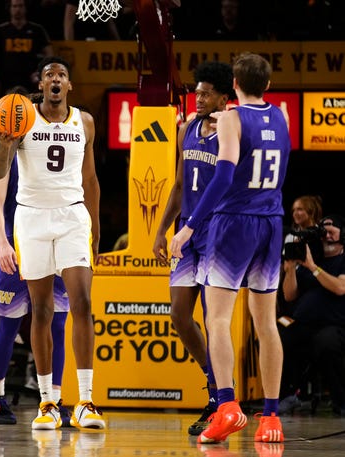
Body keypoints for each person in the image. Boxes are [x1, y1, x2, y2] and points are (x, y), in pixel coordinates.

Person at [170, 52, 291, 444]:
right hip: (271, 220)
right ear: (268, 86)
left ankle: (227, 407)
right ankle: (271, 418)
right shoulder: (283, 117)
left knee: (218, 319)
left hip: (234, 221)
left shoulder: (231, 119)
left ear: (234, 86)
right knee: (265, 323)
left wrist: (188, 228)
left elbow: (222, 178)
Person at [0, 55, 104, 430]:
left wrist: (96, 229)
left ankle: (86, 400)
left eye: (62, 75)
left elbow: (91, 181)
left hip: (72, 216)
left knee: (81, 303)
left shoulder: (84, 121)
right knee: (40, 310)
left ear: (69, 85)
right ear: (40, 84)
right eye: (49, 75)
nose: (55, 79)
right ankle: (47, 403)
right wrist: (6, 144)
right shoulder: (21, 117)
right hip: (32, 216)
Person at [152, 61, 235, 436]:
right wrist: (159, 231)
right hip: (185, 234)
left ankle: (220, 399)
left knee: (211, 317)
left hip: (216, 233)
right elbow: (179, 184)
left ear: (222, 95)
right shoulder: (187, 128)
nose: (198, 98)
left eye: (204, 93)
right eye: (196, 92)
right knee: (179, 316)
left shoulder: (231, 131)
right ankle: (213, 382)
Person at [0, 157, 70, 426]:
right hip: (15, 245)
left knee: (57, 326)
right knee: (9, 327)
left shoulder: (60, 148)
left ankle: (54, 400)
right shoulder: (7, 157)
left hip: (54, 244)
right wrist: (1, 242)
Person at [279, 215, 345, 416]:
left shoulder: (341, 260)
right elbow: (289, 295)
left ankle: (340, 401)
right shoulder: (311, 257)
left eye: (332, 229)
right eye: (323, 230)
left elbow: (340, 288)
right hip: (304, 323)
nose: (327, 234)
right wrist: (290, 269)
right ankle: (286, 396)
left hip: (334, 325)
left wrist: (312, 267)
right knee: (280, 334)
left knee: (326, 341)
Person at [0, 0, 53, 97]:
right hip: (6, 80)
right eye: (15, 6)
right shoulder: (0, 31)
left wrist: (41, 73)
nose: (18, 9)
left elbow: (50, 54)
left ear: (25, 8)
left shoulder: (37, 30)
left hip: (30, 81)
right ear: (10, 8)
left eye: (21, 6)